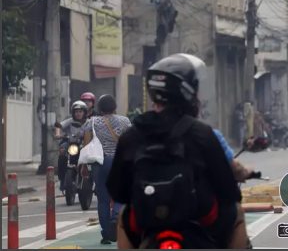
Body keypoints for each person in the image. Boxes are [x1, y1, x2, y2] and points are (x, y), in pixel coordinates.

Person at [107, 53, 248, 249]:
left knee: (123, 218)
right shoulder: (202, 133)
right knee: (237, 213)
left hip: (148, 221)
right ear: (188, 92)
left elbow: (117, 190)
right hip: (198, 219)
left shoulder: (132, 136)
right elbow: (227, 190)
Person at [81, 95, 131, 244]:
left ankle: (106, 233)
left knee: (102, 200)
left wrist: (84, 165)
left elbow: (87, 144)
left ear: (99, 108)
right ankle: (116, 215)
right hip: (119, 162)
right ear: (114, 107)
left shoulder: (92, 122)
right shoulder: (125, 121)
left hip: (100, 163)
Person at [55, 100, 89, 190]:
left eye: (80, 111)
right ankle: (62, 179)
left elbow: (95, 130)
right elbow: (58, 125)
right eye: (76, 112)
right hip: (71, 143)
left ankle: (95, 181)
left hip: (84, 145)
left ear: (84, 112)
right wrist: (58, 134)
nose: (78, 114)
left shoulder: (89, 122)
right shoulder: (70, 121)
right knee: (62, 153)